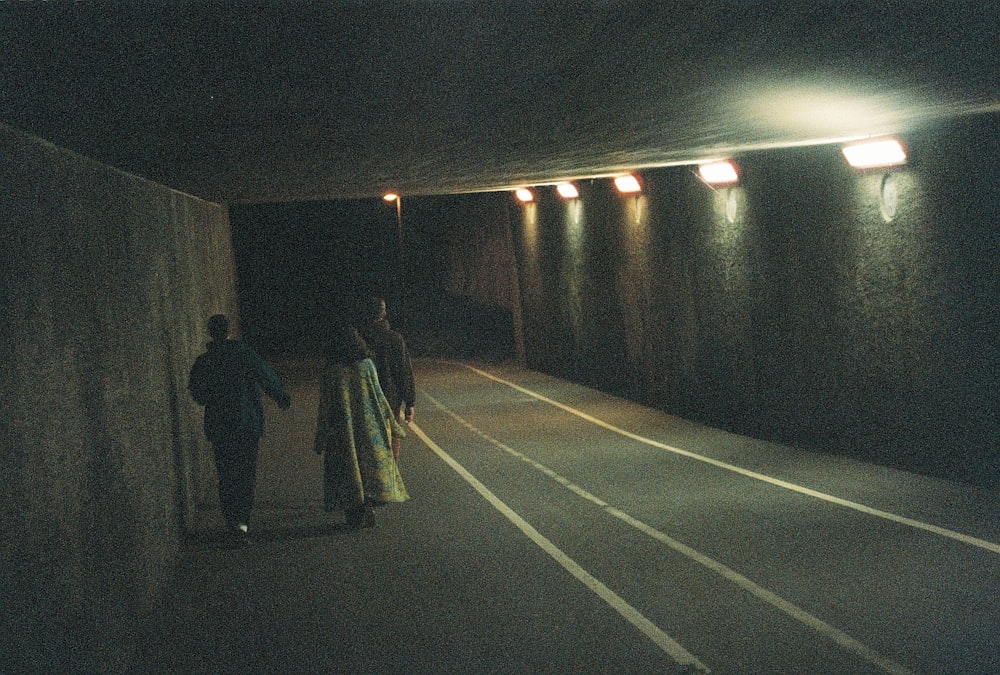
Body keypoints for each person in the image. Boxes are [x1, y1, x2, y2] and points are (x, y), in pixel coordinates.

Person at [187, 314, 291, 541]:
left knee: (226, 474)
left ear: (210, 333)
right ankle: (242, 524)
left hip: (219, 427)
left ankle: (232, 522)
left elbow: (198, 393)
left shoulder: (204, 362)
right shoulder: (244, 355)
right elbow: (265, 376)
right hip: (246, 424)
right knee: (245, 474)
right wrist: (281, 396)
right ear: (228, 330)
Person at [313, 324, 408, 528]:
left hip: (341, 430)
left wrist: (320, 436)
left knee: (347, 469)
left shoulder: (331, 371)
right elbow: (378, 396)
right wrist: (391, 422)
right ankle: (369, 504)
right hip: (367, 426)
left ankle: (353, 510)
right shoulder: (366, 366)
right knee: (368, 467)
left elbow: (325, 405)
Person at [357, 296, 416, 426]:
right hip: (389, 399)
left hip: (363, 399)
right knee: (391, 438)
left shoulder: (358, 340)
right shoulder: (394, 339)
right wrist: (409, 402)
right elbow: (404, 371)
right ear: (384, 313)